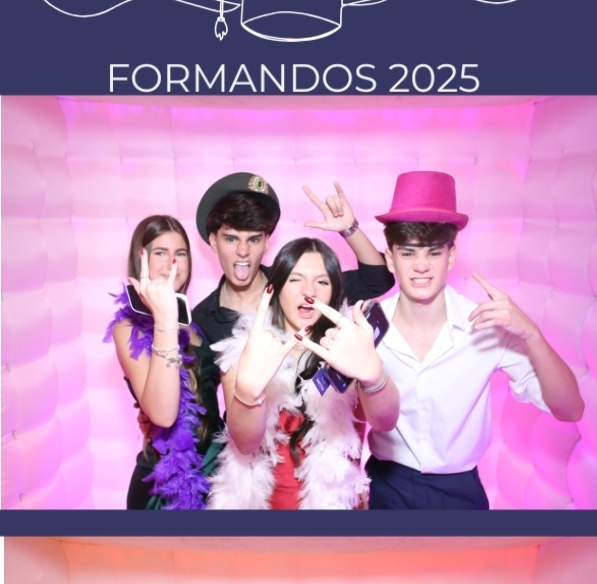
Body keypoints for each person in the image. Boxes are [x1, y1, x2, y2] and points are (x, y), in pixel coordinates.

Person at [364, 171, 584, 510]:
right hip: (386, 486)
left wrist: (532, 334)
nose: (421, 266)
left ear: (451, 256)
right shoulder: (365, 326)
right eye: (408, 253)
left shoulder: (486, 324)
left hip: (459, 492)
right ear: (390, 259)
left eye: (433, 253)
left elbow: (570, 409)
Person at [207, 238, 399, 510]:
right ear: (276, 287)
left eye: (322, 281)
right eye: (295, 279)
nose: (309, 291)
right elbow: (245, 443)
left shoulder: (351, 346)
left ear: (335, 291)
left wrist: (374, 377)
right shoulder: (248, 349)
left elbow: (386, 421)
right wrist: (248, 392)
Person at [190, 172, 394, 377]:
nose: (243, 251)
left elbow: (378, 280)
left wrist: (349, 229)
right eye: (231, 239)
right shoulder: (202, 319)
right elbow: (204, 387)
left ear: (266, 242)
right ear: (214, 241)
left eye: (253, 239)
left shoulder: (297, 284)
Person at [104, 216, 221, 510]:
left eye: (180, 253)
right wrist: (165, 318)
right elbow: (163, 416)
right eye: (160, 253)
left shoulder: (194, 321)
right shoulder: (128, 328)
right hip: (166, 484)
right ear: (140, 259)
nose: (172, 263)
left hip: (213, 470)